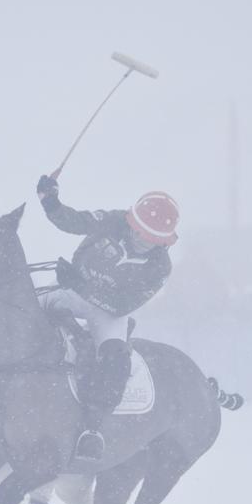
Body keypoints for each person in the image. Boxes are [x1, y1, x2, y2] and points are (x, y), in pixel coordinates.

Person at [37, 174, 179, 459]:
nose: (141, 239)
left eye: (150, 238)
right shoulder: (113, 220)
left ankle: (92, 429)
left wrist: (79, 284)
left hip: (108, 313)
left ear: (163, 242)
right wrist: (50, 202)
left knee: (115, 360)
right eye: (138, 230)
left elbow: (121, 305)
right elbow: (74, 221)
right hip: (69, 291)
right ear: (131, 221)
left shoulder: (160, 267)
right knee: (21, 314)